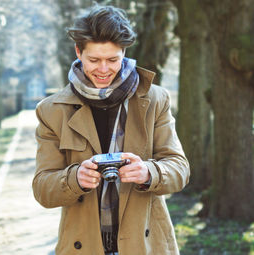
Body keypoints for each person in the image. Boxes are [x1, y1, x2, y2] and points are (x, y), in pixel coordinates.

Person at [32, 5, 190, 255]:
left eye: (113, 60)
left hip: (147, 245)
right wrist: (74, 179)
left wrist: (148, 171)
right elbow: (42, 188)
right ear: (78, 52)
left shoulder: (156, 99)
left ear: (124, 52)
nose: (103, 70)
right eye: (94, 60)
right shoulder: (51, 110)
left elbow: (180, 169)